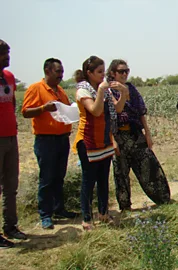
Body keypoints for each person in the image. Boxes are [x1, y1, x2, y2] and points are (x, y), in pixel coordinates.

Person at [21, 58, 79, 230]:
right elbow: (25, 112)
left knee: (59, 176)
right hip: (46, 140)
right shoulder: (36, 89)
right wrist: (43, 109)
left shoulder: (60, 90)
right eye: (57, 72)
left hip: (62, 138)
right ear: (47, 71)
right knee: (47, 178)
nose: (61, 75)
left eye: (62, 72)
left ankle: (58, 209)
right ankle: (45, 214)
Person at [107, 59, 170, 211]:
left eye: (126, 71)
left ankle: (163, 198)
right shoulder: (108, 91)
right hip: (119, 136)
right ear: (112, 73)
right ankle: (125, 206)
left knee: (150, 165)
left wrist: (147, 133)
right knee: (121, 172)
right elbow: (117, 111)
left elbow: (141, 111)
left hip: (135, 134)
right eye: (121, 71)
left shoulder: (132, 89)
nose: (124, 74)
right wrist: (122, 93)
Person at [73, 56, 128, 231]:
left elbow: (117, 109)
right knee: (89, 180)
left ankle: (103, 213)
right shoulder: (83, 90)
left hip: (104, 140)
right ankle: (87, 218)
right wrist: (102, 92)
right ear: (89, 73)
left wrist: (124, 93)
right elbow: (95, 111)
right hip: (88, 141)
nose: (102, 75)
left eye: (103, 72)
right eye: (99, 72)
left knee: (103, 178)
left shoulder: (103, 89)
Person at [0, 39, 26, 248]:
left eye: (8, 52)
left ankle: (10, 226)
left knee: (11, 185)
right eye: (3, 53)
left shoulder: (8, 77)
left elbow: (12, 104)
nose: (7, 56)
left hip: (10, 137)